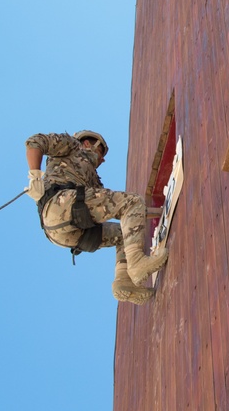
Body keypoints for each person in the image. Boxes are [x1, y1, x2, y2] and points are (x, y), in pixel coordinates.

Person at [25, 130, 168, 305]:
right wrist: (34, 176)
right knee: (133, 200)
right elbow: (35, 142)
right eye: (101, 151)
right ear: (87, 144)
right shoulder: (72, 145)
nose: (103, 159)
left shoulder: (93, 180)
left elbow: (131, 216)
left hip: (63, 234)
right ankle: (137, 263)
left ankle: (123, 282)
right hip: (59, 204)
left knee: (124, 232)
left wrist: (161, 211)